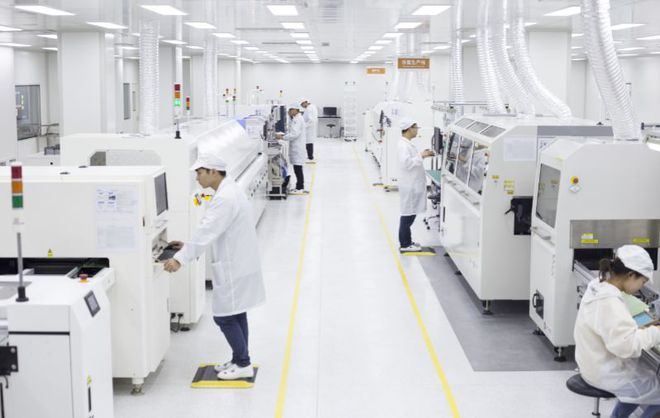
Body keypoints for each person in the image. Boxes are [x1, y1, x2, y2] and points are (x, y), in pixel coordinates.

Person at [163, 154, 266, 380]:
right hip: (238, 262)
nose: (197, 178)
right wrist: (187, 246)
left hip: (234, 266)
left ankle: (243, 363)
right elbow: (211, 230)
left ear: (213, 172)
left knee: (224, 317)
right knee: (236, 313)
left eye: (199, 173)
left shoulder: (225, 198)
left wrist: (180, 259)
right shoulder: (228, 191)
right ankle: (239, 358)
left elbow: (207, 231)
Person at [574, 245, 660, 418]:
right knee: (653, 391)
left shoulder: (597, 285)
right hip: (604, 372)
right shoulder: (610, 301)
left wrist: (644, 326)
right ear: (631, 275)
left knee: (641, 385)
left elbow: (612, 327)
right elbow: (628, 347)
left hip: (591, 363)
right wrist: (657, 331)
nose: (641, 287)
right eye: (642, 282)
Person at [397, 118, 434, 253]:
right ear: (409, 129)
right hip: (410, 185)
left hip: (412, 183)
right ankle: (405, 244)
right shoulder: (403, 146)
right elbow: (407, 164)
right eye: (416, 127)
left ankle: (407, 241)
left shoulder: (407, 144)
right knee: (408, 215)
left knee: (410, 213)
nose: (417, 130)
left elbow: (412, 160)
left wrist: (422, 155)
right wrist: (422, 155)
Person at [276, 103, 306, 193]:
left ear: (295, 110)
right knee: (297, 168)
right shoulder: (296, 118)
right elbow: (292, 131)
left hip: (297, 147)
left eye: (290, 110)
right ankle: (299, 186)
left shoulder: (297, 119)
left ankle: (300, 188)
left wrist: (282, 137)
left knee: (298, 168)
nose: (288, 112)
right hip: (297, 146)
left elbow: (294, 134)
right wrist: (284, 135)